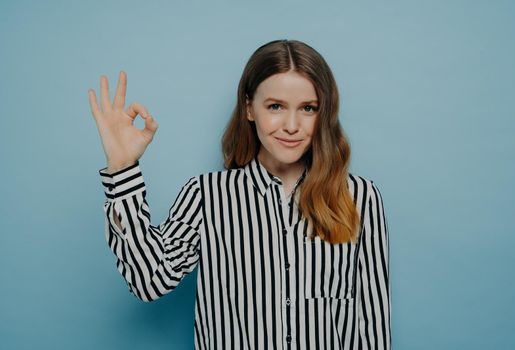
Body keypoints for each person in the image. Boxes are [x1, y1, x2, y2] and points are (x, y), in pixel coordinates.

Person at [89, 39, 391, 350]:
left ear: (323, 112)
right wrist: (123, 169)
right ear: (249, 108)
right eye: (275, 106)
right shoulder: (206, 196)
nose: (291, 125)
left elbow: (372, 324)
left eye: (308, 109)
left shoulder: (360, 197)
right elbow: (148, 281)